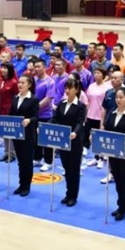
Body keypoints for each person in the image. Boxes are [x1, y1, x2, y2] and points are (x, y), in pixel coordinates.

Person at [101, 87, 125, 221]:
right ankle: (120, 205)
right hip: (113, 152)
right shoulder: (112, 113)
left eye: (121, 97)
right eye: (117, 97)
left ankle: (123, 207)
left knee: (124, 182)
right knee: (117, 180)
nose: (118, 100)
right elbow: (106, 129)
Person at [52, 78, 87, 206]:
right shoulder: (62, 103)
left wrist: (75, 133)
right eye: (66, 88)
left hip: (75, 142)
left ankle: (73, 195)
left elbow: (80, 122)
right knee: (66, 168)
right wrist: (44, 127)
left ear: (76, 90)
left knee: (74, 170)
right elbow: (55, 118)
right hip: (63, 141)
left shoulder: (80, 106)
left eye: (70, 88)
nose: (67, 90)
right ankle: (68, 193)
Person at [9, 75, 40, 196]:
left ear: (29, 85)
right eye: (19, 83)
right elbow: (11, 114)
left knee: (27, 161)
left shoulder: (33, 99)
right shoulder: (15, 98)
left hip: (28, 135)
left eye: (23, 83)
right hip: (17, 134)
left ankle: (26, 186)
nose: (20, 85)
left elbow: (36, 117)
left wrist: (29, 120)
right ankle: (21, 184)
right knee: (20, 161)